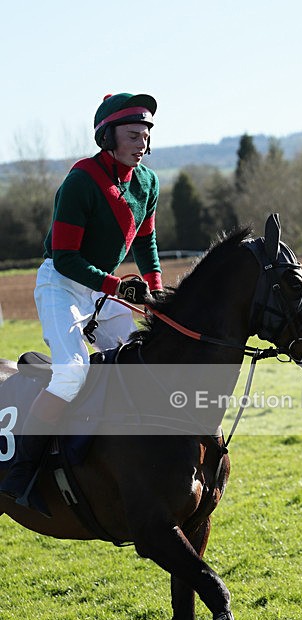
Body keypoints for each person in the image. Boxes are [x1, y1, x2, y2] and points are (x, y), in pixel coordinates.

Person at [0, 92, 163, 513]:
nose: (141, 142)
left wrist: (155, 287)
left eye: (145, 134)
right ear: (107, 137)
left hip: (101, 288)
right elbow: (67, 258)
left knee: (146, 362)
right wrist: (114, 285)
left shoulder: (148, 182)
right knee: (73, 373)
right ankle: (21, 467)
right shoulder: (80, 183)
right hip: (62, 284)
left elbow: (146, 241)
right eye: (132, 135)